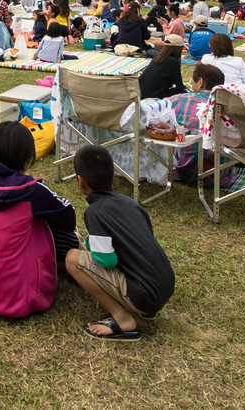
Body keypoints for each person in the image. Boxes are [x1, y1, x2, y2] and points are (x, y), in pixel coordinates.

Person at [0, 120, 78, 319]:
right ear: (28, 159)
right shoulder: (32, 191)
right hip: (13, 299)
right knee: (60, 233)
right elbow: (68, 217)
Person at [64, 143, 176, 341]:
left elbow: (107, 261)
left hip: (143, 295)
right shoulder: (130, 203)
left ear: (80, 181)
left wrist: (88, 244)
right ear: (113, 176)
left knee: (73, 259)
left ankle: (122, 318)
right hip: (165, 285)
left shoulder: (95, 212)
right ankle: (145, 310)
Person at [139, 35, 187, 99]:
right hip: (154, 96)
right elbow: (179, 87)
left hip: (140, 93)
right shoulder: (173, 61)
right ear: (178, 49)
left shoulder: (158, 56)